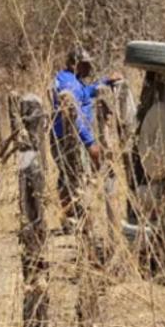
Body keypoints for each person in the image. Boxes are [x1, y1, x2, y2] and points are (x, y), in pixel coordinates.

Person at [51, 47, 121, 228]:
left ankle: (71, 219)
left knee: (69, 177)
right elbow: (74, 117)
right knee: (72, 177)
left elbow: (84, 94)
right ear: (75, 65)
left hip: (71, 138)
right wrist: (90, 143)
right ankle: (73, 221)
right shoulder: (70, 85)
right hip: (68, 139)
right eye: (85, 64)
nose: (89, 68)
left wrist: (104, 82)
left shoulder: (72, 80)